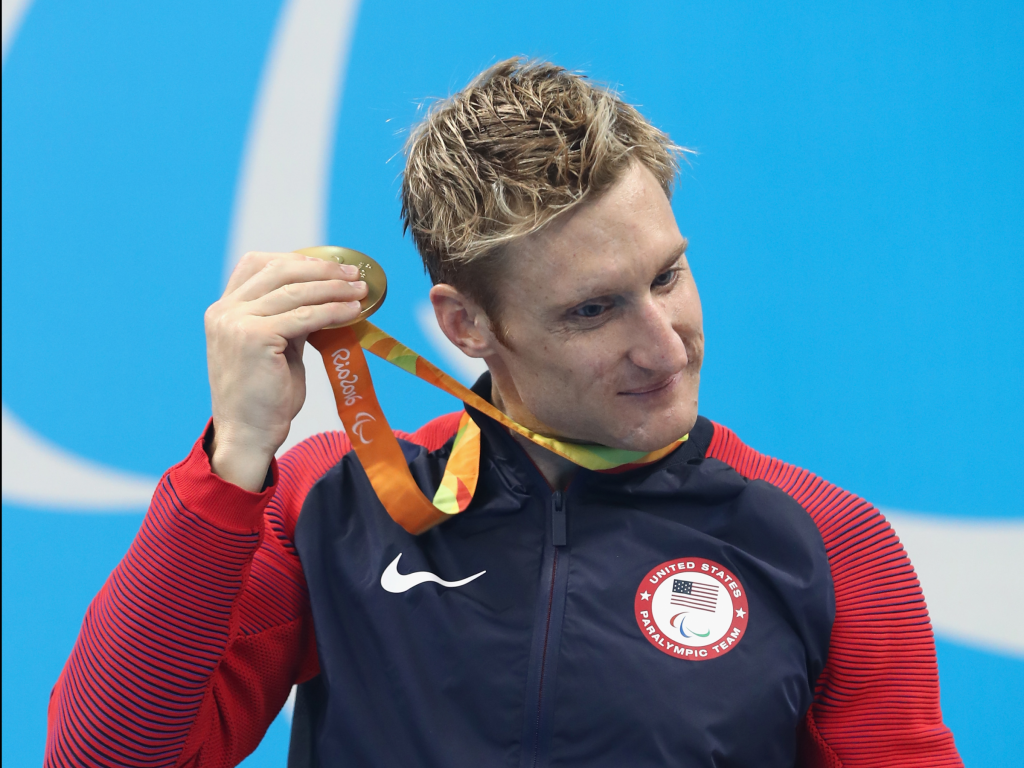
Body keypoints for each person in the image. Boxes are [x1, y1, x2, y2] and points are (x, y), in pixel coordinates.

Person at [44, 58, 962, 768]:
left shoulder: (824, 541)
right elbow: (105, 755)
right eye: (593, 310)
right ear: (466, 325)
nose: (667, 345)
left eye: (667, 276)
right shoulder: (335, 500)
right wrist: (235, 457)